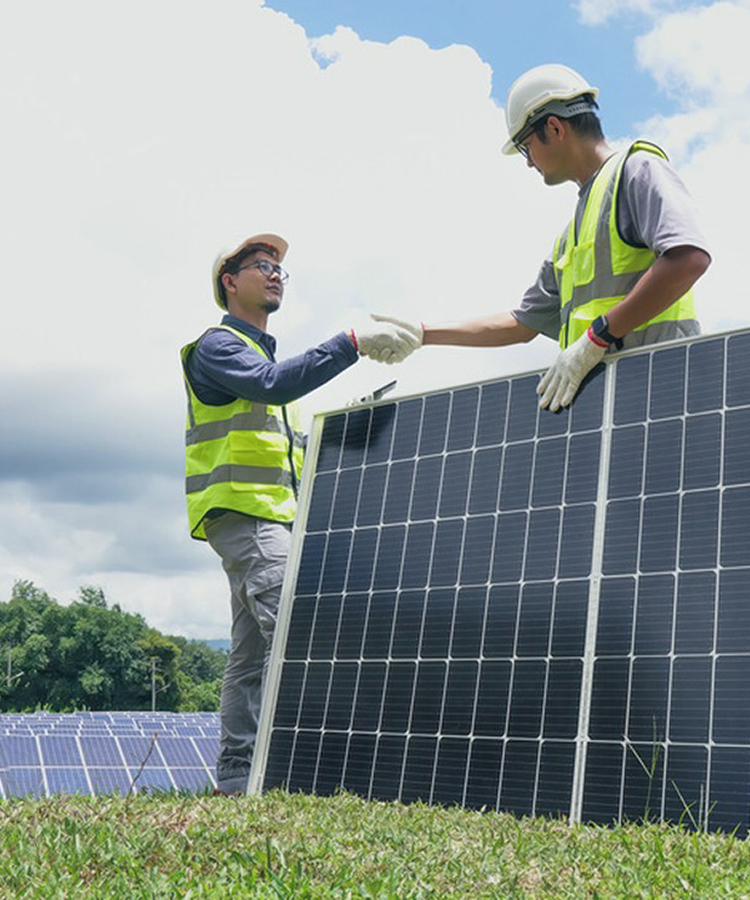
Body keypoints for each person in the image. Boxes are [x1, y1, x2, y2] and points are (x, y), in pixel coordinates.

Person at [181, 233, 419, 794]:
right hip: (249, 517)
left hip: (262, 517)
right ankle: (304, 771)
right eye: (261, 265)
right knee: (296, 633)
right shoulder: (218, 347)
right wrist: (352, 343)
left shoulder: (260, 363)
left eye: (279, 269)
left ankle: (237, 776)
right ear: (229, 281)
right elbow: (275, 384)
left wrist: (343, 432)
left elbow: (285, 448)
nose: (274, 274)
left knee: (251, 655)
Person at [374, 64, 711, 410]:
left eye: (526, 146)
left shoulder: (637, 169)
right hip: (608, 405)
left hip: (663, 389)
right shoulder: (569, 238)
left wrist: (597, 338)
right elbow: (522, 323)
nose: (528, 162)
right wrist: (422, 334)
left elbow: (688, 258)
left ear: (554, 127)